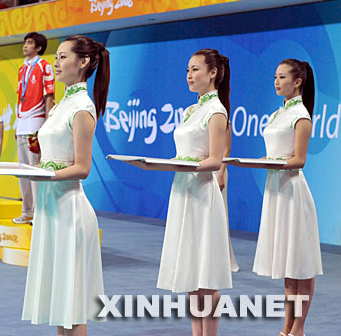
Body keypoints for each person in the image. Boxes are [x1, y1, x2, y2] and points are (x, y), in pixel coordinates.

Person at [128, 49, 232, 336]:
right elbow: (182, 154)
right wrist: (157, 166)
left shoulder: (217, 110)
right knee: (190, 271)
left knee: (206, 274)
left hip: (202, 195)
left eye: (196, 69)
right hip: (183, 192)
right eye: (187, 69)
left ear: (213, 73)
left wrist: (174, 165)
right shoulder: (190, 110)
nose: (189, 74)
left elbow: (214, 160)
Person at [22, 35, 110, 336]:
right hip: (51, 211)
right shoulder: (63, 103)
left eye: (62, 57)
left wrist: (41, 175)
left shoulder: (83, 107)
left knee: (72, 310)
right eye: (56, 57)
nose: (55, 63)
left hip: (70, 213)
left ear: (83, 62)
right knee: (60, 306)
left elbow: (82, 168)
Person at [228, 59, 322, 336]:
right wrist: (253, 162)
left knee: (300, 264)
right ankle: (286, 326)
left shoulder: (301, 115)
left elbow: (298, 161)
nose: (276, 82)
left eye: (282, 77)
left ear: (298, 81)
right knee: (287, 264)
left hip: (293, 193)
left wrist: (266, 164)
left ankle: (299, 328)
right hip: (276, 191)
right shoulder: (276, 114)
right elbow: (273, 155)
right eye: (275, 77)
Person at [13, 32, 55, 223]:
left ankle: (39, 212)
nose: (25, 46)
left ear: (38, 48)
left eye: (29, 43)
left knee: (35, 170)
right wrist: (16, 124)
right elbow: (19, 98)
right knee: (23, 170)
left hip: (36, 122)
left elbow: (49, 97)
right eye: (25, 43)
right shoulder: (23, 69)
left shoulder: (45, 67)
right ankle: (27, 210)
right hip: (22, 122)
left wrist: (47, 124)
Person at [217, 122, 239, 272]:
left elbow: (227, 149)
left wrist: (220, 173)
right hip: (201, 170)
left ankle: (222, 260)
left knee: (219, 216)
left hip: (217, 171)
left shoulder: (223, 119)